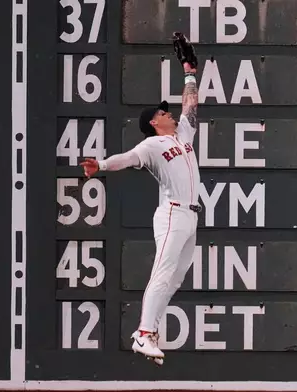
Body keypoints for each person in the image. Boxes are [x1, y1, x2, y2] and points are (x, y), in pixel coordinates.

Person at [80, 62, 199, 365]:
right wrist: (103, 165)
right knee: (162, 272)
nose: (167, 112)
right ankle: (143, 333)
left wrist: (189, 73)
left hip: (191, 217)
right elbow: (128, 158)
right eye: (162, 113)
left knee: (175, 279)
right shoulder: (152, 144)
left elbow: (190, 106)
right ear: (154, 123)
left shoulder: (183, 135)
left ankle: (152, 333)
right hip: (172, 214)